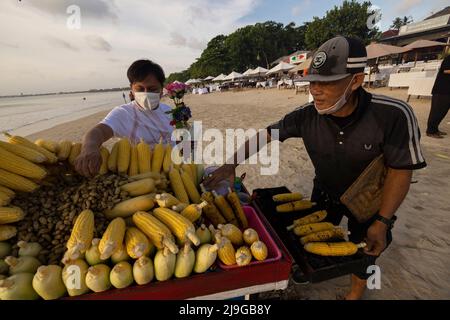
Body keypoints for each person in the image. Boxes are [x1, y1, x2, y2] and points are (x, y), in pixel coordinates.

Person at [204, 36, 427, 300]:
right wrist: (231, 164)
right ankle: (314, 270)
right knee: (313, 238)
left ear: (356, 81)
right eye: (312, 82)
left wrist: (383, 220)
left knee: (368, 247)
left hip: (370, 201)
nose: (315, 91)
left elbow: (401, 170)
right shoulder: (307, 115)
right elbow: (266, 135)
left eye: (327, 82)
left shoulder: (393, 114)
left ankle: (355, 294)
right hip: (325, 190)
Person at [75, 59, 174, 177]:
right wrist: (90, 147)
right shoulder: (123, 113)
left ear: (161, 91)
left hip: (175, 173)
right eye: (140, 89)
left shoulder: (168, 111)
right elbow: (98, 131)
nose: (146, 93)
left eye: (152, 89)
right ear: (131, 90)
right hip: (142, 178)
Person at [426, 54, 450, 138]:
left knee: (443, 111)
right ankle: (430, 131)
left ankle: (435, 129)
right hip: (441, 90)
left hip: (447, 91)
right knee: (436, 111)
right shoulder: (448, 58)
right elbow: (445, 70)